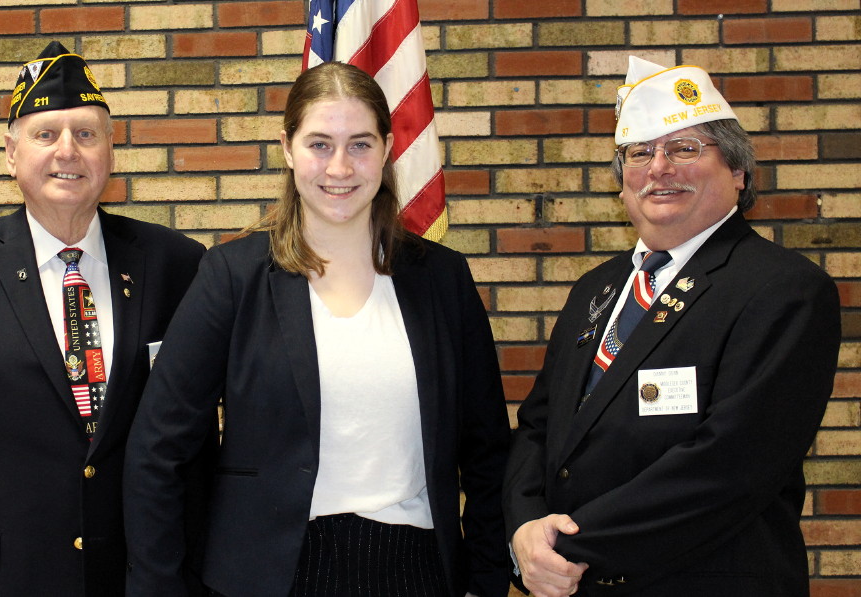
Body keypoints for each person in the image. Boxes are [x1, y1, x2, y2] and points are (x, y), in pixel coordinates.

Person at [123, 61, 512, 597]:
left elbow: (488, 450)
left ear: (387, 148)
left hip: (416, 573)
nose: (339, 167)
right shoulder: (232, 277)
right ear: (287, 149)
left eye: (359, 144)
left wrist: (486, 579)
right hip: (268, 576)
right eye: (319, 144)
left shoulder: (442, 279)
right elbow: (157, 448)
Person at [0, 42, 211, 597]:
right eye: (45, 134)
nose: (67, 151)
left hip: (140, 579)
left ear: (110, 148)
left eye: (86, 133)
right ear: (10, 153)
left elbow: (197, 450)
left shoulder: (177, 265)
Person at [502, 56, 841, 597]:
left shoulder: (784, 290)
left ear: (737, 172)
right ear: (621, 185)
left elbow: (728, 467)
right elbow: (541, 427)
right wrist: (523, 532)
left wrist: (564, 548)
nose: (659, 168)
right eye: (640, 152)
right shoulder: (595, 288)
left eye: (685, 148)